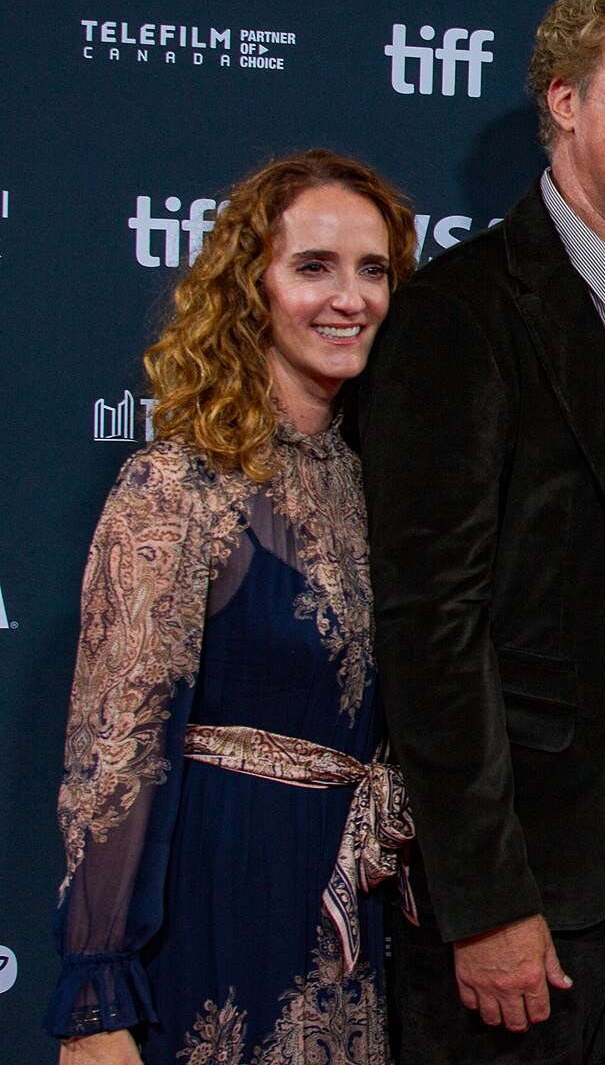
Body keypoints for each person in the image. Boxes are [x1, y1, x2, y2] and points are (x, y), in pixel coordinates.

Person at [354, 0, 605, 1065]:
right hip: (534, 878)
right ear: (565, 99)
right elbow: (430, 626)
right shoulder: (460, 311)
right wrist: (483, 897)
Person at [45, 151, 417, 1064]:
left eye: (374, 270)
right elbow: (117, 748)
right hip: (213, 902)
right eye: (314, 267)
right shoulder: (177, 485)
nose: (351, 299)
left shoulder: (384, 487)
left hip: (346, 913)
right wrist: (98, 994)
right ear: (251, 288)